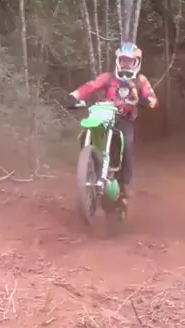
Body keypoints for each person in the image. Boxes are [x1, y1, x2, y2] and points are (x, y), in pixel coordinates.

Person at [67, 43, 157, 209]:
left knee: (127, 145)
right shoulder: (108, 77)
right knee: (84, 134)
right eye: (122, 60)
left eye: (129, 61)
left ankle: (124, 187)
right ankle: (88, 168)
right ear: (118, 60)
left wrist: (147, 101)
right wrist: (75, 96)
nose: (125, 64)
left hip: (124, 118)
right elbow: (91, 86)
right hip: (104, 116)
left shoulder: (140, 80)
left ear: (136, 62)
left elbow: (152, 98)